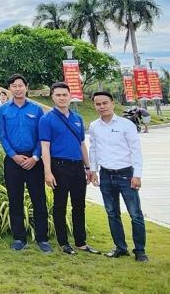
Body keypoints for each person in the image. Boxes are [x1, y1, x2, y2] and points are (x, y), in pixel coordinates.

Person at [39, 82, 98, 255]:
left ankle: (81, 241)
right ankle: (63, 242)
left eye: (65, 95)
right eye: (58, 95)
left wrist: (88, 167)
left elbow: (82, 144)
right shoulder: (46, 119)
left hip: (77, 166)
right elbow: (45, 148)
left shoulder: (77, 118)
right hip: (59, 166)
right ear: (52, 97)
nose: (62, 98)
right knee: (60, 205)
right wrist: (47, 172)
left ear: (70, 96)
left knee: (79, 205)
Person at [88, 91, 147, 262]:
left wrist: (137, 175)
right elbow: (93, 149)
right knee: (112, 213)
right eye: (98, 104)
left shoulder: (125, 125)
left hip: (126, 174)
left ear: (112, 103)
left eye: (105, 103)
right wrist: (93, 170)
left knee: (135, 214)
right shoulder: (94, 126)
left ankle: (140, 251)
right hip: (106, 175)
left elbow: (136, 150)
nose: (102, 107)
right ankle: (121, 247)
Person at [0, 74, 51, 253]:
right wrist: (13, 155)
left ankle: (42, 238)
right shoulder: (3, 110)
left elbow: (41, 136)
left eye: (21, 85)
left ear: (26, 87)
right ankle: (19, 238)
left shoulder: (36, 109)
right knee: (15, 200)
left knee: (39, 200)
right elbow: (2, 135)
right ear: (9, 88)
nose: (17, 88)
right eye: (14, 85)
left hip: (34, 161)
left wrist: (35, 157)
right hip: (13, 161)